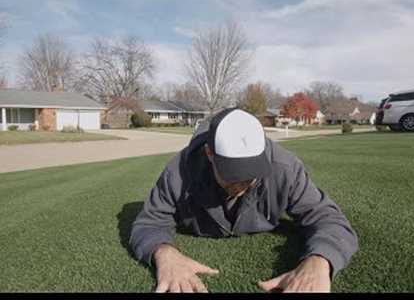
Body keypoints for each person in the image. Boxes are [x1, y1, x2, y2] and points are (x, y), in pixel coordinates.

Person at [129, 107, 358, 293]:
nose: (242, 183)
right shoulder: (177, 172)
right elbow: (150, 222)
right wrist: (163, 253)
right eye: (232, 173)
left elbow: (328, 218)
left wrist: (320, 260)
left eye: (251, 172)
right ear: (209, 154)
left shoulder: (285, 169)